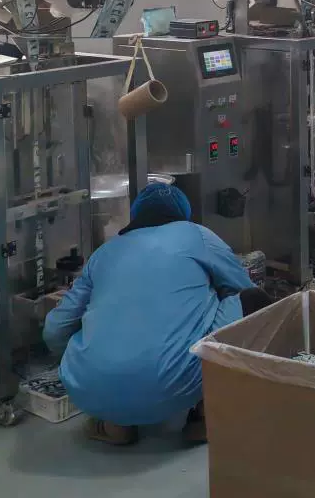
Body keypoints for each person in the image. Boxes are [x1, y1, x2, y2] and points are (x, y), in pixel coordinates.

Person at [43, 182, 256, 446]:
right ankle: (204, 415)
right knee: (243, 300)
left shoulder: (103, 253)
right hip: (176, 385)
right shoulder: (197, 236)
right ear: (182, 214)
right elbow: (244, 288)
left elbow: (54, 330)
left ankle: (114, 422)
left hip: (87, 388)